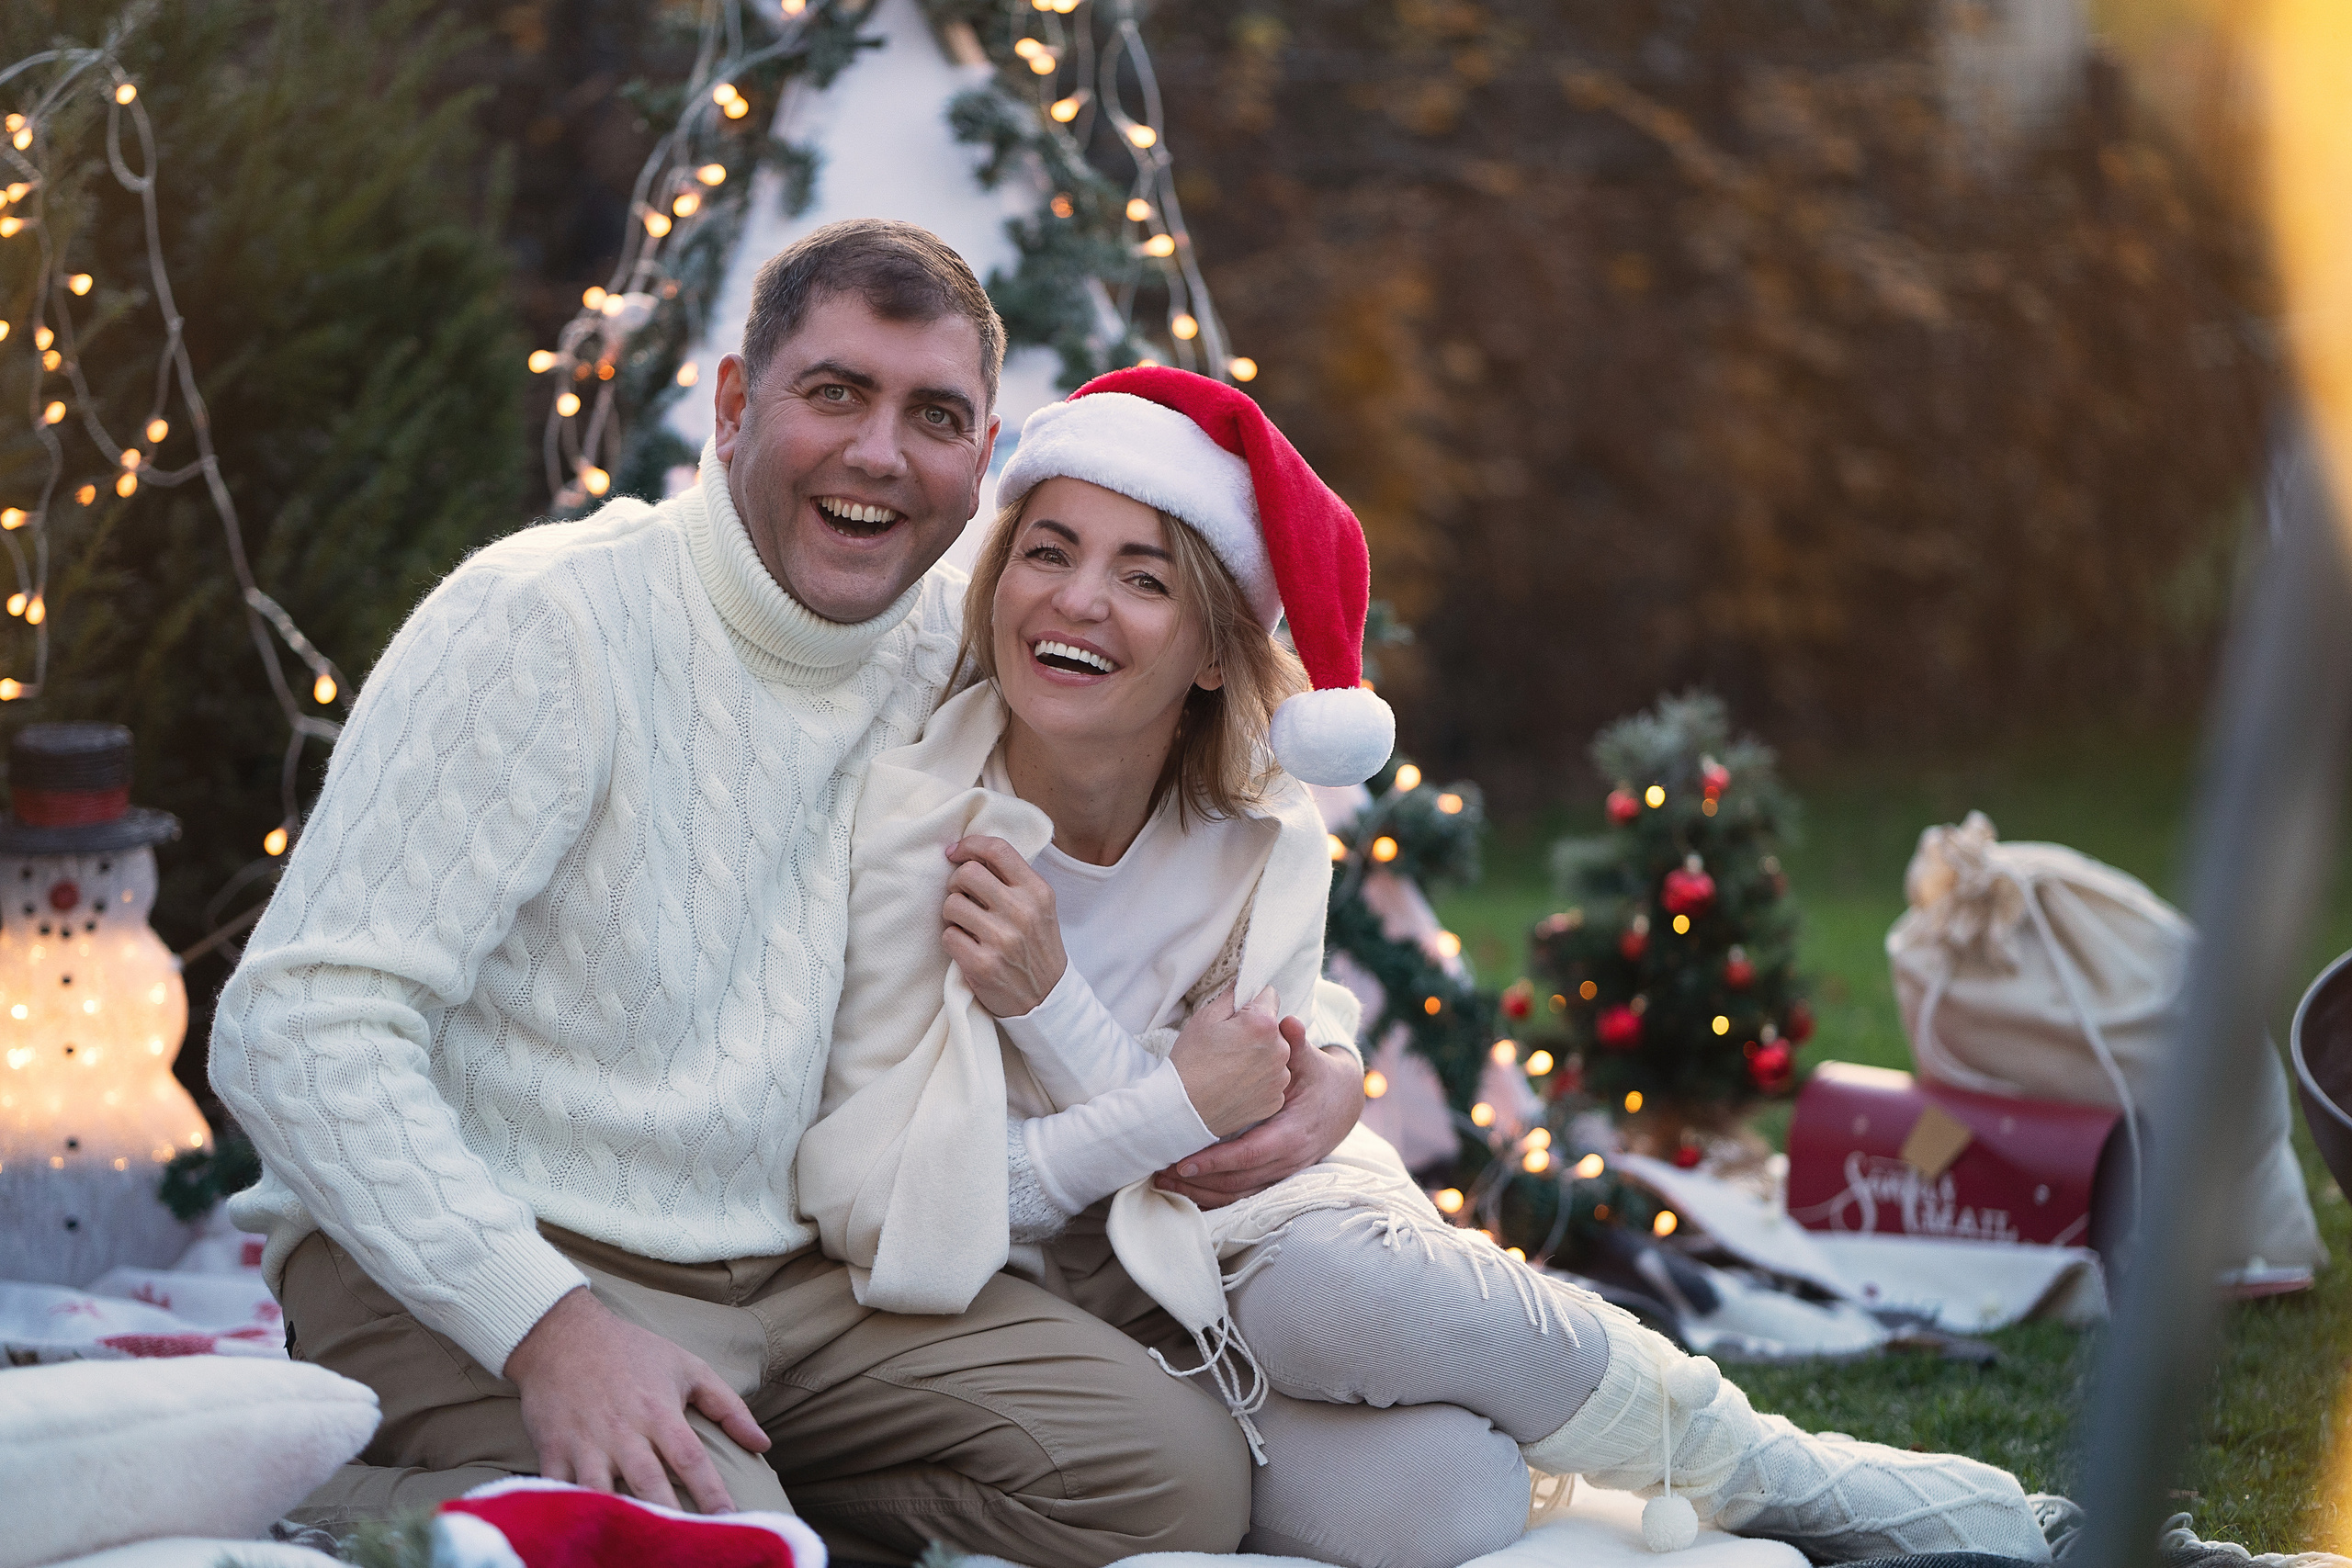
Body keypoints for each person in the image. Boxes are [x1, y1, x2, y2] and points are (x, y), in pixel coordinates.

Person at [207, 220, 1369, 1567]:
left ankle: (741, 1516)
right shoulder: (546, 623)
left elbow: (1183, 865)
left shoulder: (971, 643)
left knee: (1172, 1481)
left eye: (932, 414)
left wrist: (1321, 1046)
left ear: (982, 461)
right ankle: (305, 1517)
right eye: (835, 393)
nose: (879, 453)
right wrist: (547, 1325)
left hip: (807, 1271)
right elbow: (297, 1026)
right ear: (733, 407)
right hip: (503, 1252)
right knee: (713, 1546)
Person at [801, 367, 2055, 1568]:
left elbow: (1223, 1150)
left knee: (1332, 1291)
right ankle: (1569, 1433)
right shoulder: (928, 824)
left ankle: (1794, 1477)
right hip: (1064, 1320)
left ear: (1214, 654)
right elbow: (924, 1205)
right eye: (1048, 549)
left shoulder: (1260, 836)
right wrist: (1096, 1033)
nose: (1076, 601)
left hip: (1264, 1238)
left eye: (1144, 577)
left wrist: (1105, 1029)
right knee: (1447, 1506)